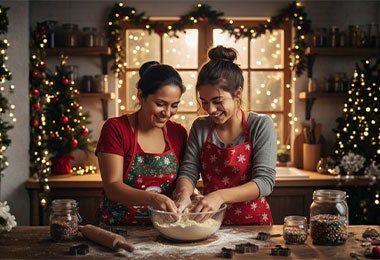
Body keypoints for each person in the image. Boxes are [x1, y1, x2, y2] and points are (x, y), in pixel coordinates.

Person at [173, 45, 277, 225]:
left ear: (238, 93)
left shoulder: (260, 125)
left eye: (217, 101)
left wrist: (219, 196)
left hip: (253, 224)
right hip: (210, 223)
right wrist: (183, 192)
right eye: (204, 102)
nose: (210, 110)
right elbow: (189, 171)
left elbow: (265, 182)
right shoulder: (201, 127)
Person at [95, 61, 188, 225]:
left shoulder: (178, 133)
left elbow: (183, 178)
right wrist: (153, 198)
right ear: (141, 95)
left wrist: (191, 194)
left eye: (174, 105)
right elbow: (112, 187)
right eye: (160, 104)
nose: (167, 113)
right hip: (119, 227)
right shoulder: (116, 129)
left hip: (164, 228)